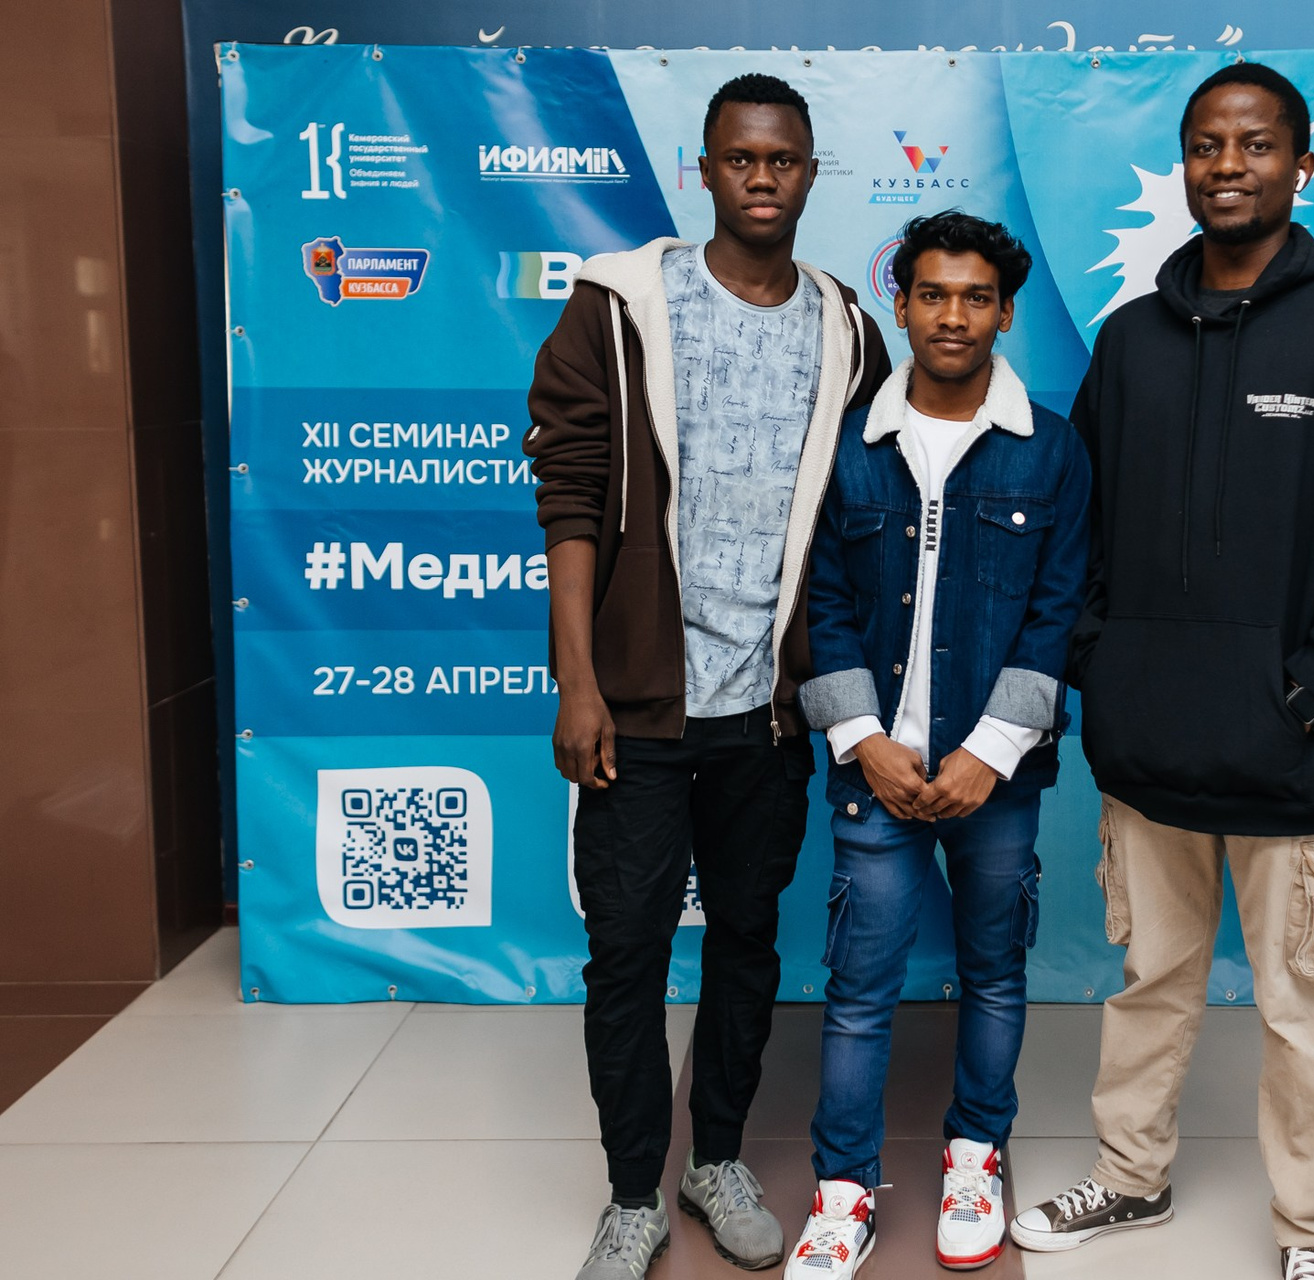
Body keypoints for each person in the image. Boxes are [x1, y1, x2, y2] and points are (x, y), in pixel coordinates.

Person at [1010, 64, 1314, 1280]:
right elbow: (1078, 533)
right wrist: (1108, 669)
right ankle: (1129, 1175)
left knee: (1299, 1006)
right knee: (1147, 982)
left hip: (1299, 757)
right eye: (1208, 144)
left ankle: (1310, 1231)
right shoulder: (1130, 342)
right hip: (1151, 748)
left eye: (1256, 145)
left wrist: (1307, 686)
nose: (1228, 166)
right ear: (1185, 162)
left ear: (1301, 165)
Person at [524, 74, 887, 1279]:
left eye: (783, 160)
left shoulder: (848, 327)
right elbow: (570, 495)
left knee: (747, 938)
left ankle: (715, 1156)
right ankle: (634, 1190)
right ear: (707, 168)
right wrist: (579, 681)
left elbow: (864, 515)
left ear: (811, 173)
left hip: (768, 714)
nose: (762, 177)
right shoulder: (620, 305)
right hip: (636, 705)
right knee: (627, 950)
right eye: (741, 158)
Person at [781, 211, 1091, 1278]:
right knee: (859, 989)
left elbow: (1058, 611)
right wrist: (862, 739)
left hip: (995, 777)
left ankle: (974, 1157)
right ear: (902, 303)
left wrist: (989, 752)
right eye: (932, 294)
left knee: (993, 974)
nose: (952, 315)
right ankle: (844, 1189)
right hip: (875, 772)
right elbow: (821, 601)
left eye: (975, 297)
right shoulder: (850, 447)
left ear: (1004, 312)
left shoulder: (1052, 449)